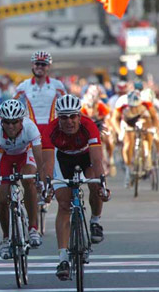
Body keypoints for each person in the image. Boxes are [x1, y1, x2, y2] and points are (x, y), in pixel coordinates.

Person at [41, 94, 110, 281]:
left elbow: (96, 159)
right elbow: (47, 163)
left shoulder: (89, 126)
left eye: (73, 116)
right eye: (64, 117)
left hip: (86, 158)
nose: (69, 121)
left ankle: (95, 220)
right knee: (64, 205)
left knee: (95, 183)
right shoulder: (50, 130)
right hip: (63, 161)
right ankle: (63, 258)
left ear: (80, 116)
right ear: (58, 118)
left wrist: (102, 184)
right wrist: (46, 186)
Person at [0, 99, 44, 259]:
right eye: (7, 122)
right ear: (1, 121)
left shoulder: (30, 128)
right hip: (4, 157)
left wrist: (42, 181)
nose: (10, 126)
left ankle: (33, 228)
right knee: (2, 198)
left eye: (15, 122)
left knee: (29, 181)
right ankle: (5, 238)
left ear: (22, 120)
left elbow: (39, 160)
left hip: (25, 154)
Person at [112, 90, 159, 186]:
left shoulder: (146, 103)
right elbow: (115, 119)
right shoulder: (122, 103)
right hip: (127, 121)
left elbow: (154, 117)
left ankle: (147, 154)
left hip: (142, 119)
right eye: (132, 106)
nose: (134, 108)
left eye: (136, 106)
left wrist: (154, 129)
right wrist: (120, 132)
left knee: (148, 131)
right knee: (128, 143)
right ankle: (128, 168)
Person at [14, 51, 66, 134]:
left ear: (49, 66)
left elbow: (68, 105)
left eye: (43, 64)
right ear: (32, 65)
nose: (40, 66)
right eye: (37, 64)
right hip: (31, 129)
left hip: (52, 129)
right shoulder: (24, 85)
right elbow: (10, 105)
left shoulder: (57, 85)